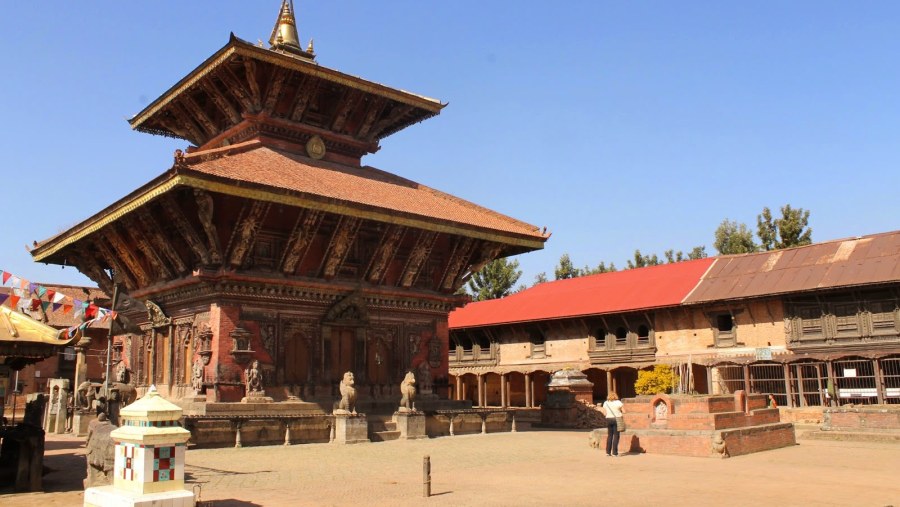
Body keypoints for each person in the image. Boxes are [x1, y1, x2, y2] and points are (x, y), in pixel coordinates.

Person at [602, 392, 625, 457]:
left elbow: (604, 413)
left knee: (609, 436)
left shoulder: (606, 403)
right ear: (615, 396)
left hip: (608, 419)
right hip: (617, 419)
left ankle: (607, 452)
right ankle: (615, 453)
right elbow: (624, 411)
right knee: (616, 436)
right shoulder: (618, 402)